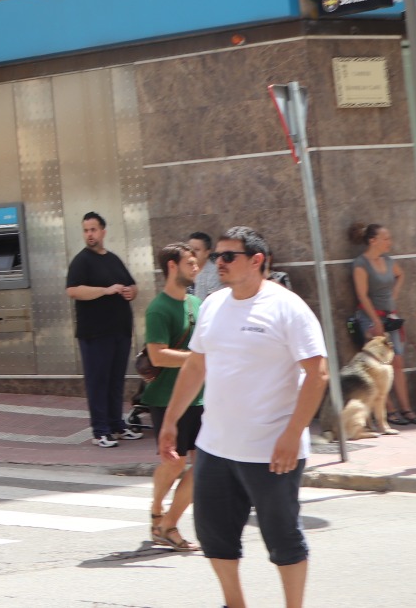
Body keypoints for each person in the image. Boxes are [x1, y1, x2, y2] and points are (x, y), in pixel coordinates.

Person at [160, 226, 327, 608]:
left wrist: (292, 434)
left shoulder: (287, 307)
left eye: (228, 256)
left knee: (282, 536)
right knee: (214, 535)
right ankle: (234, 603)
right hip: (215, 446)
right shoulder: (214, 304)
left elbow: (317, 373)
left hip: (271, 449)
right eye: (217, 256)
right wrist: (171, 420)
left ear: (256, 261)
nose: (218, 263)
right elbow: (195, 367)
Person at [145, 242, 203, 552]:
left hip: (202, 397)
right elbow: (157, 356)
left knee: (204, 464)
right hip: (167, 398)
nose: (196, 267)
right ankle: (157, 508)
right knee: (176, 462)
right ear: (172, 266)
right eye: (189, 263)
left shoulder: (198, 304)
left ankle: (169, 524)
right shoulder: (158, 308)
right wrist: (195, 358)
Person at [66, 211, 139, 447]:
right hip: (95, 334)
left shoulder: (113, 259)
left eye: (93, 230)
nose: (89, 234)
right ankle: (100, 431)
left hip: (120, 331)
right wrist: (105, 290)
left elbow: (133, 285)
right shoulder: (81, 261)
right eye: (86, 230)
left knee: (116, 380)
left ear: (103, 232)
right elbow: (73, 290)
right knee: (98, 382)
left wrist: (131, 292)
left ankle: (116, 425)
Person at [349, 221, 416, 425]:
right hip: (370, 318)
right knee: (379, 366)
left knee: (398, 362)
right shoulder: (361, 263)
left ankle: (406, 409)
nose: (389, 242)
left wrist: (393, 297)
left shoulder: (388, 260)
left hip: (390, 317)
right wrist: (375, 321)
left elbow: (401, 275)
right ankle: (389, 411)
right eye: (385, 238)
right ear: (373, 241)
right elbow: (362, 295)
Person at [188, 231, 221, 302]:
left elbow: (212, 303)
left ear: (206, 253)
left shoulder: (214, 273)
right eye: (189, 249)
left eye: (197, 250)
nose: (192, 253)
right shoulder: (184, 269)